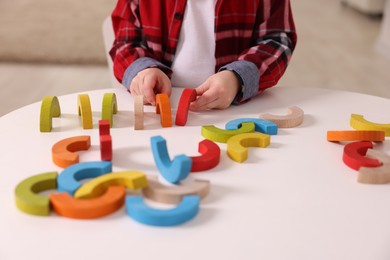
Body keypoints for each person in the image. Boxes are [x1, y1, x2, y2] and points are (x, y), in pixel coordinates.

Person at [109, 0, 297, 111]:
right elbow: (125, 41)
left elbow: (277, 40)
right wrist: (142, 70)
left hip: (237, 107)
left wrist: (238, 77)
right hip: (161, 108)